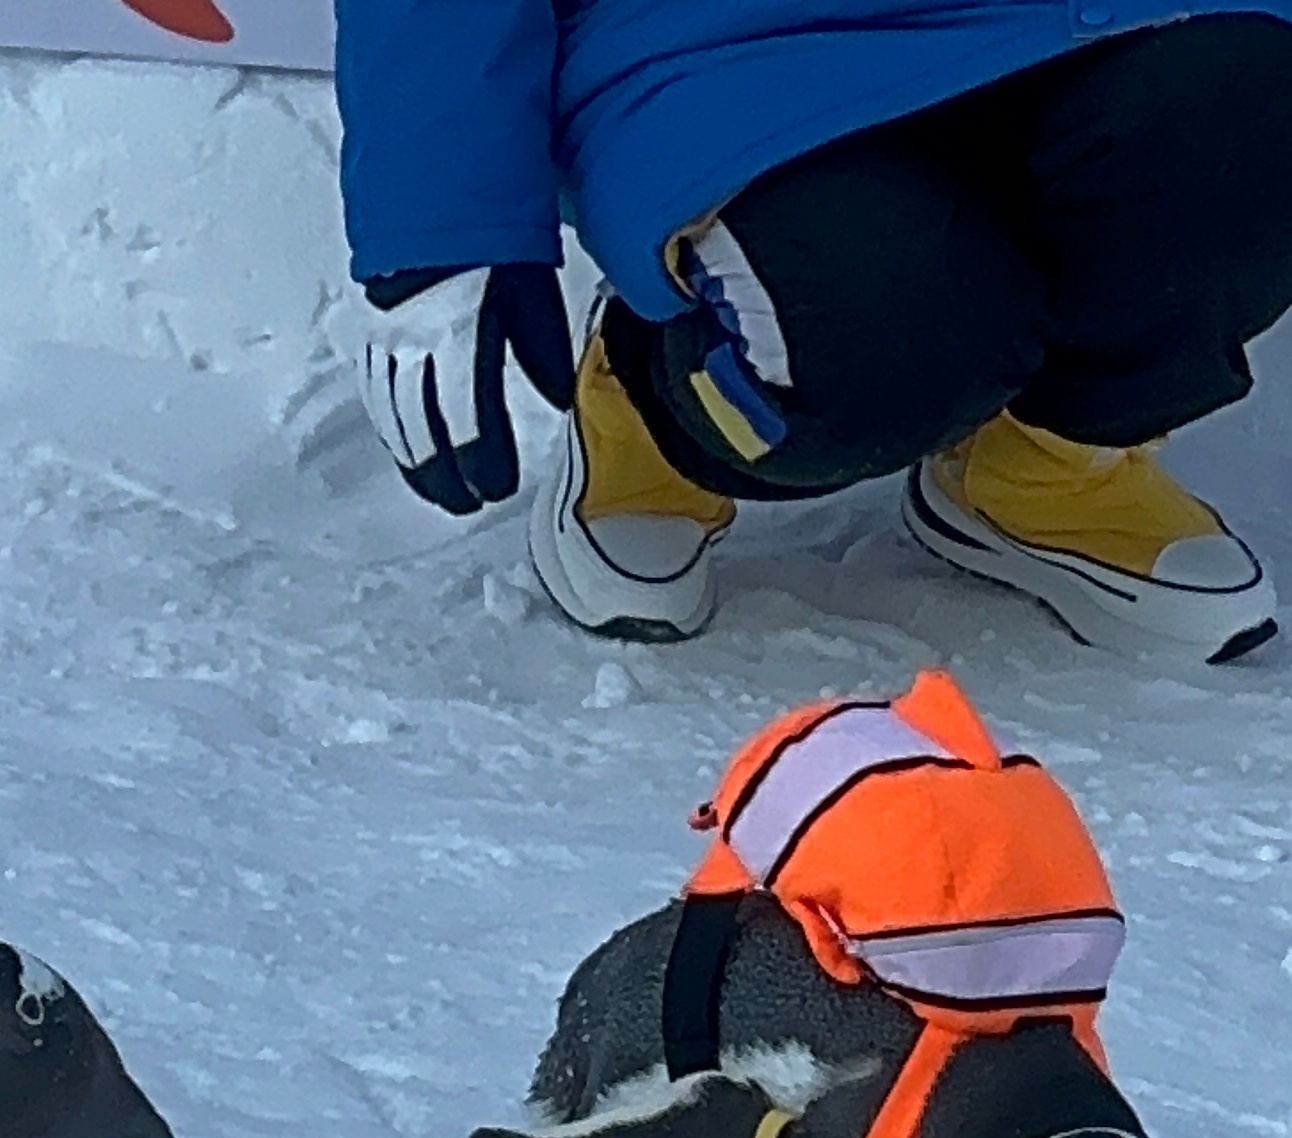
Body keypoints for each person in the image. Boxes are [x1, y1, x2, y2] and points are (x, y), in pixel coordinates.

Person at [340, 2, 1292, 662]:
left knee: (1248, 134)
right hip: (728, 58)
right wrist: (437, 223)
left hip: (1096, 17)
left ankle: (1049, 471)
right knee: (865, 340)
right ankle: (655, 401)